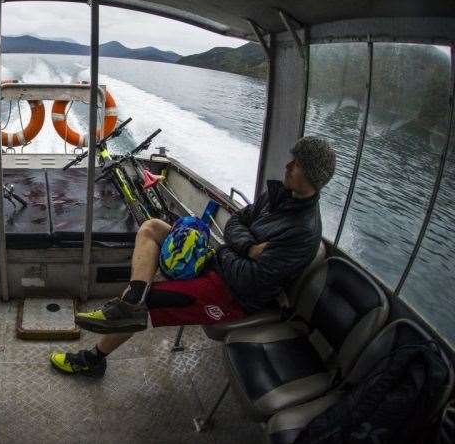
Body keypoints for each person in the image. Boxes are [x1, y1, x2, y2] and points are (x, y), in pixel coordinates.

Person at [50, 136, 336, 377]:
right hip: (222, 264)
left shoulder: (302, 231)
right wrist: (248, 249)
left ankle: (93, 360)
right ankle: (132, 300)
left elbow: (252, 280)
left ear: (310, 174)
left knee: (151, 302)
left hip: (235, 295)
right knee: (152, 227)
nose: (288, 166)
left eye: (295, 164)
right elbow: (235, 223)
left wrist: (226, 249)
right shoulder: (278, 196)